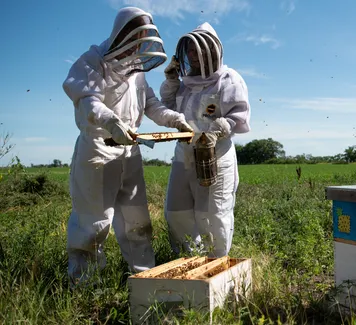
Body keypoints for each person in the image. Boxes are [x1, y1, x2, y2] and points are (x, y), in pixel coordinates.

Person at [62, 7, 194, 287]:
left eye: (142, 41)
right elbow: (87, 100)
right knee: (94, 221)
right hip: (97, 149)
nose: (138, 46)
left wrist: (175, 119)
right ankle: (84, 285)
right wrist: (110, 121)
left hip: (129, 151)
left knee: (136, 218)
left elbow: (151, 105)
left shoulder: (137, 71)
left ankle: (144, 278)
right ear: (123, 34)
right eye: (136, 39)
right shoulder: (91, 62)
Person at [159, 22, 251, 257]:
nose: (192, 54)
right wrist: (171, 82)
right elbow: (169, 108)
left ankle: (217, 265)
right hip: (184, 154)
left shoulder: (229, 79)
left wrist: (217, 130)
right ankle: (190, 260)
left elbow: (238, 114)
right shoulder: (186, 85)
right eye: (188, 50)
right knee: (176, 212)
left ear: (212, 50)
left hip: (215, 155)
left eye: (195, 49)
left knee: (213, 215)